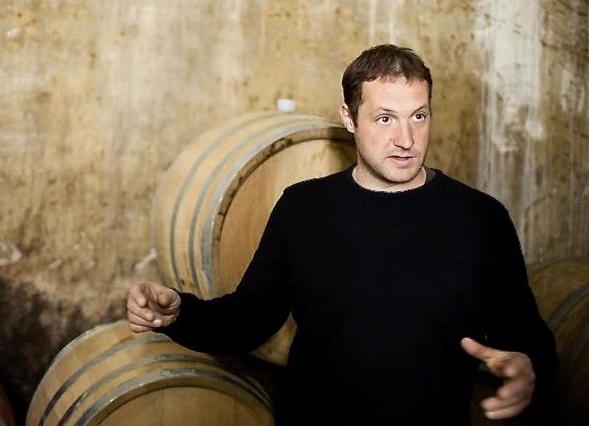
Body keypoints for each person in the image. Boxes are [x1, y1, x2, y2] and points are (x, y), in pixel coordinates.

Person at [127, 44, 558, 425]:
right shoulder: (303, 208)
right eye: (385, 119)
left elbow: (526, 337)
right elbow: (249, 319)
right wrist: (179, 314)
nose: (406, 139)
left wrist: (529, 368)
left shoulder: (480, 218)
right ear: (349, 118)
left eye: (419, 116)